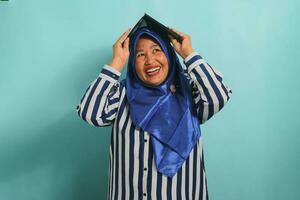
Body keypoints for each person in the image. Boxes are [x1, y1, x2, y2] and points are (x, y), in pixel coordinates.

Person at [76, 26, 232, 200]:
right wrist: (117, 62)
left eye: (157, 50)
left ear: (169, 54)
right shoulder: (121, 94)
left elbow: (218, 96)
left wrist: (188, 53)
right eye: (140, 54)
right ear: (133, 62)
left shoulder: (191, 91)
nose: (150, 60)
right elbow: (90, 112)